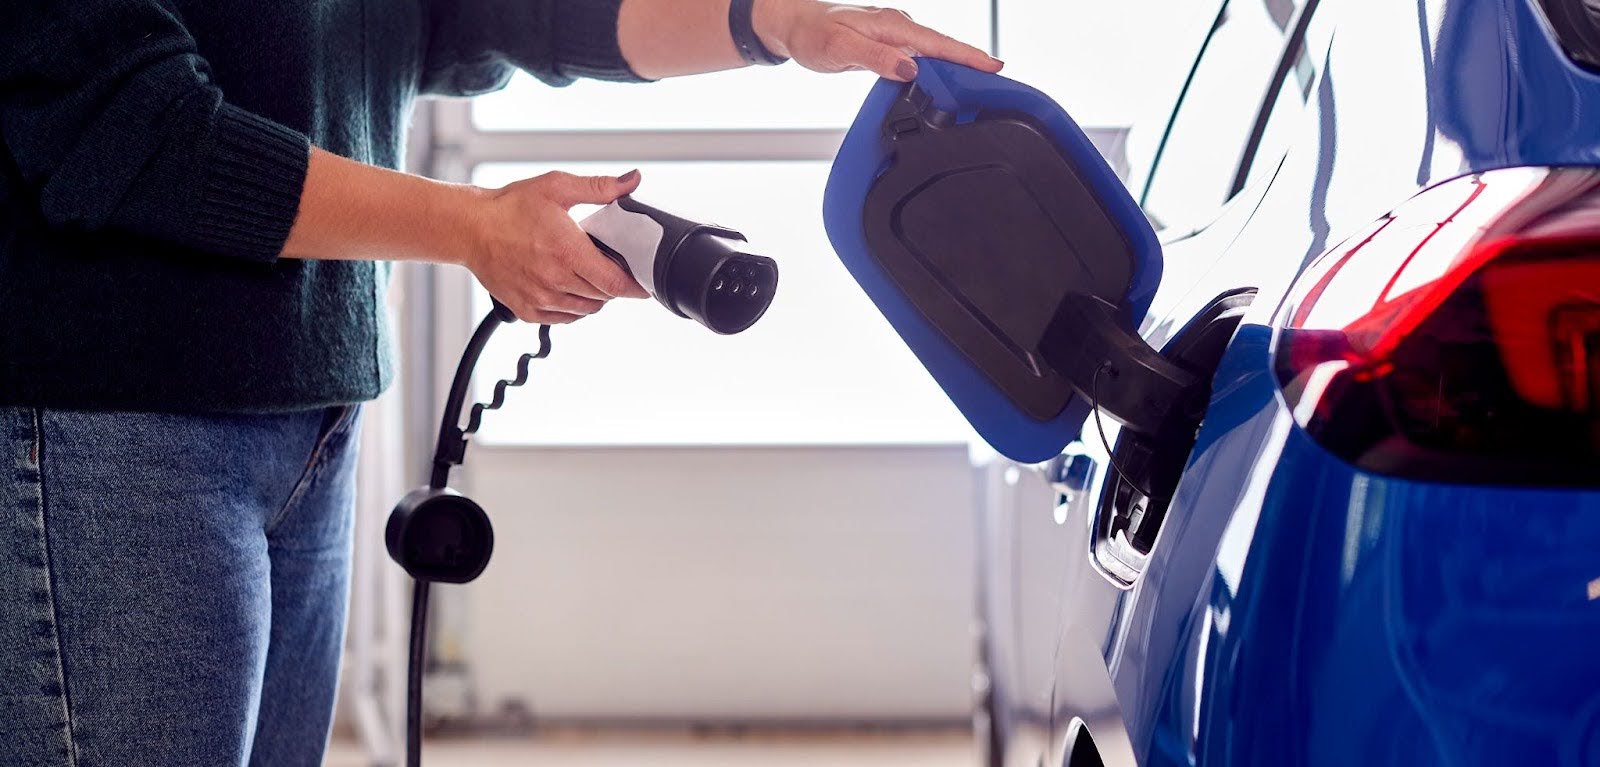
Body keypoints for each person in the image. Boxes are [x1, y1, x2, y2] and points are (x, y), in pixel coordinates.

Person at [0, 0, 1001, 764]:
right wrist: (474, 228)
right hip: (115, 414)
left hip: (308, 406)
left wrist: (771, 23)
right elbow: (136, 126)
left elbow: (504, 7)